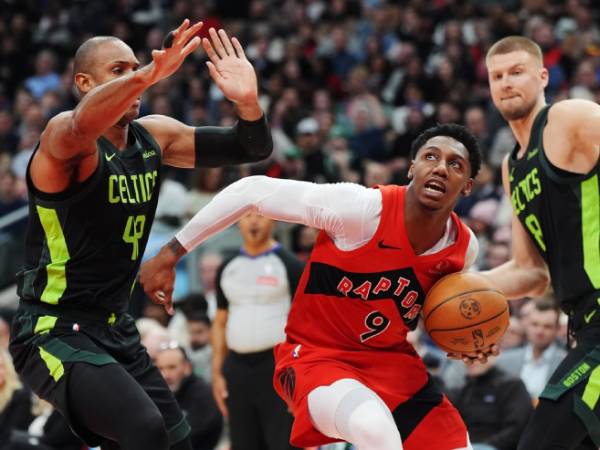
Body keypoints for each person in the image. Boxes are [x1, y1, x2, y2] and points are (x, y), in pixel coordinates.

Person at [9, 19, 272, 450]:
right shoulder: (65, 138)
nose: (136, 79)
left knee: (173, 443)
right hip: (53, 329)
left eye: (136, 68)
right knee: (144, 429)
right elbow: (80, 125)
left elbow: (251, 148)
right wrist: (149, 72)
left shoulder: (155, 138)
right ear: (84, 82)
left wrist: (248, 103)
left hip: (117, 327)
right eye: (120, 71)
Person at [140, 123, 487, 450]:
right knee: (375, 428)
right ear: (411, 168)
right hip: (317, 359)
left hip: (393, 364)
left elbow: (446, 309)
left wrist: (468, 339)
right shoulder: (361, 210)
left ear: (468, 185)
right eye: (431, 157)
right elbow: (251, 191)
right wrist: (173, 250)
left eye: (455, 164)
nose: (441, 168)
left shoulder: (462, 247)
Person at [482, 35, 600, 449]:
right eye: (497, 76)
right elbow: (530, 273)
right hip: (582, 325)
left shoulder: (569, 119)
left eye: (516, 72)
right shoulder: (511, 166)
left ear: (543, 76)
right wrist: (456, 286)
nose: (506, 82)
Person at [211, 212, 304, 450]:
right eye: (247, 217)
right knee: (242, 443)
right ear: (238, 223)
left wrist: (301, 372)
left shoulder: (291, 265)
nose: (253, 222)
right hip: (237, 368)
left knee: (282, 442)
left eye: (259, 217)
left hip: (277, 367)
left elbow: (307, 324)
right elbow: (220, 322)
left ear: (272, 220)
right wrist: (217, 372)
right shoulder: (227, 267)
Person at [446, 356, 533, 450]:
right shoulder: (464, 388)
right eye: (466, 355)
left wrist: (483, 447)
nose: (471, 360)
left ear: (494, 354)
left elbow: (516, 429)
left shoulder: (512, 385)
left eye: (477, 354)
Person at [155, 342, 223, 450]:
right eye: (160, 368)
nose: (165, 375)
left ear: (187, 367)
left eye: (171, 367)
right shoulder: (156, 393)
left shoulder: (203, 395)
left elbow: (190, 437)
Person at [495, 297, 566, 400]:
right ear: (526, 325)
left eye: (547, 326)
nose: (539, 331)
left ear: (557, 329)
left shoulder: (565, 363)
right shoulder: (504, 361)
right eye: (535, 324)